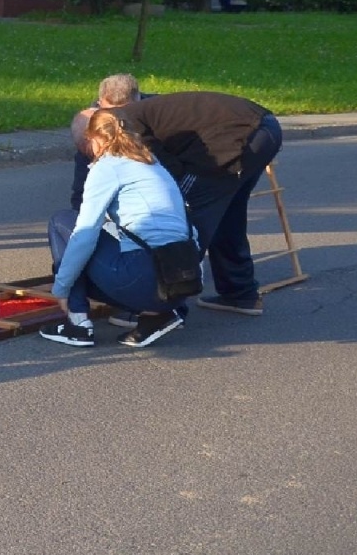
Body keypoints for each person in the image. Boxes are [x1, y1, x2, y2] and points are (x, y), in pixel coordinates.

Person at [108, 91, 283, 316]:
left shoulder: (124, 124)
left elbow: (166, 166)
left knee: (182, 218)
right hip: (264, 129)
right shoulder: (140, 110)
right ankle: (240, 293)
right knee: (228, 214)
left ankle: (164, 307)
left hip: (238, 137)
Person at [40, 110, 196, 349]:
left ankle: (78, 323)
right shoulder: (151, 163)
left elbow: (84, 235)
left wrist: (61, 288)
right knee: (119, 245)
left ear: (94, 139)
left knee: (63, 222)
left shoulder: (107, 166)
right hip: (182, 283)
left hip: (146, 280)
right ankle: (157, 316)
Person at [68, 73, 145, 210]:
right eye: (109, 112)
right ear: (100, 102)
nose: (117, 122)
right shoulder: (93, 122)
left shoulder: (160, 114)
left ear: (139, 100)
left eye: (123, 113)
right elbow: (82, 188)